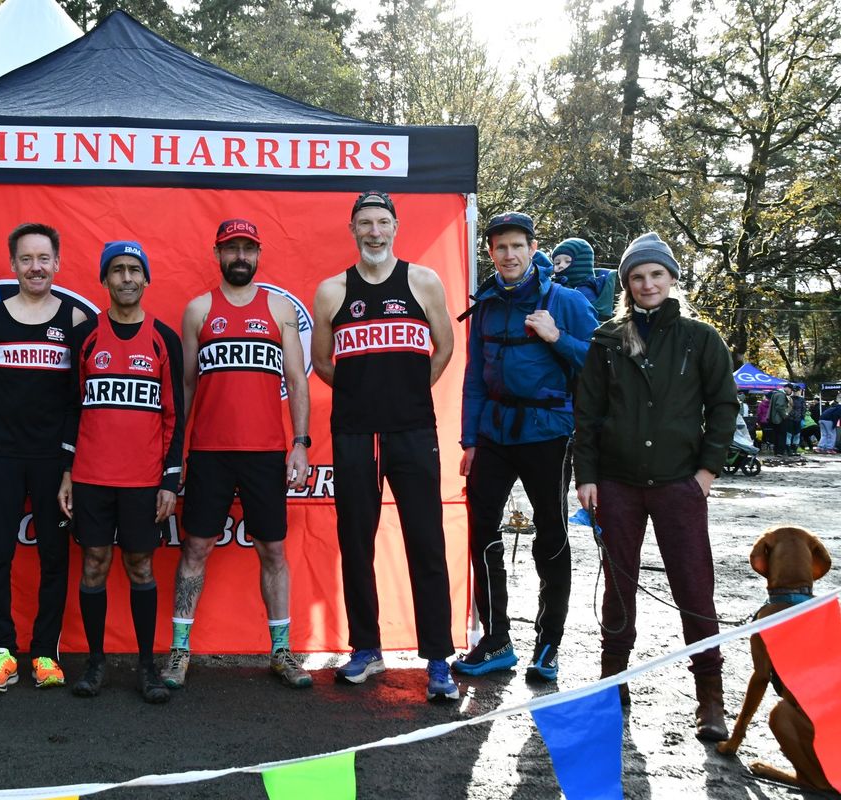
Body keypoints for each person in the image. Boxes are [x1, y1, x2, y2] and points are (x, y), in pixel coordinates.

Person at [573, 231, 737, 740]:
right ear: (626, 284)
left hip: (678, 484)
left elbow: (724, 405)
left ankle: (710, 696)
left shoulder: (700, 337)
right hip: (618, 485)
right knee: (618, 588)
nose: (647, 284)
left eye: (656, 275)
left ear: (671, 279)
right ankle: (612, 683)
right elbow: (588, 415)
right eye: (638, 277)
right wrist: (587, 477)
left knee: (694, 586)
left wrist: (706, 472)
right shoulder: (607, 339)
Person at [310, 190, 460, 702]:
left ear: (396, 226)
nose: (374, 231)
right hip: (355, 431)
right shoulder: (332, 291)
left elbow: (445, 346)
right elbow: (325, 363)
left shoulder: (423, 281)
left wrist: (410, 393)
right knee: (356, 540)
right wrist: (362, 398)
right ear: (352, 229)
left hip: (412, 430)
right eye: (365, 223)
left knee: (426, 540)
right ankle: (366, 648)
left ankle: (438, 658)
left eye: (382, 222)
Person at [160, 218, 313, 691]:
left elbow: (296, 379)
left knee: (273, 549)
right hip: (209, 452)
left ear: (259, 254)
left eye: (248, 248)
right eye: (232, 249)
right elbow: (185, 386)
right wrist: (178, 453)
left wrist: (301, 443)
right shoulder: (200, 310)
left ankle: (281, 651)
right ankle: (180, 650)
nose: (240, 256)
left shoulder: (280, 308)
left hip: (266, 453)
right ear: (218, 254)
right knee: (196, 548)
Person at [455, 211, 598, 683]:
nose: (509, 254)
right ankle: (496, 640)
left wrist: (557, 338)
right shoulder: (487, 304)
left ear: (534, 248)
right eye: (500, 247)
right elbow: (474, 376)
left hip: (549, 434)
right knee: (481, 532)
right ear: (490, 252)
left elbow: (600, 367)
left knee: (551, 534)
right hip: (494, 434)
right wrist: (469, 440)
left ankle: (548, 644)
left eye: (518, 245)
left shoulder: (568, 301)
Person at [0, 223, 86, 693]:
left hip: (51, 459)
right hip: (0, 455)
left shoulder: (73, 320)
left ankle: (46, 652)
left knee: (54, 558)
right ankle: (3, 651)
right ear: (13, 265)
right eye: (26, 259)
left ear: (57, 263)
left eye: (44, 258)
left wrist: (72, 463)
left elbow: (81, 399)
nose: (35, 267)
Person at [59, 241, 184, 704]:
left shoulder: (163, 339)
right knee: (94, 564)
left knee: (140, 565)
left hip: (143, 480)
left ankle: (147, 667)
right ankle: (95, 663)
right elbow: (71, 409)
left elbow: (175, 415)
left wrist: (170, 480)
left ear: (146, 279)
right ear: (104, 280)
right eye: (117, 270)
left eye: (135, 270)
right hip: (91, 476)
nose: (127, 277)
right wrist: (68, 471)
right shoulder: (86, 337)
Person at [550, 237, 618, 322]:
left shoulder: (585, 292)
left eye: (567, 261)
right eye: (557, 262)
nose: (560, 265)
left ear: (581, 262)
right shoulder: (553, 285)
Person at [769, 384, 791, 456]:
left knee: (776, 435)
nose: (791, 392)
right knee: (782, 435)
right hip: (780, 419)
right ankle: (780, 451)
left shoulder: (775, 393)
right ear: (787, 388)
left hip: (774, 418)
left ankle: (776, 451)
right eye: (791, 390)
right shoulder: (781, 395)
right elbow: (779, 406)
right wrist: (785, 415)